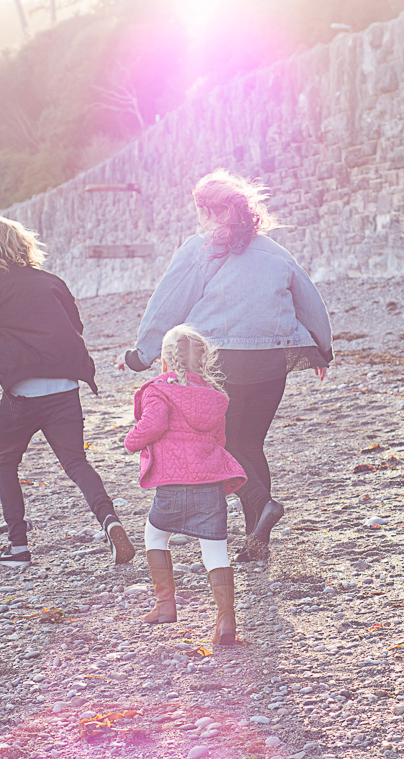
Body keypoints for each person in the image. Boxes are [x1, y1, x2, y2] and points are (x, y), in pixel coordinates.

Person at [118, 169, 332, 562]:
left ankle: (261, 503)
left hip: (220, 360)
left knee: (227, 443)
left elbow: (168, 304)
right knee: (251, 442)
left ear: (206, 209)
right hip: (272, 360)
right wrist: (322, 348)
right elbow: (309, 298)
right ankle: (256, 540)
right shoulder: (274, 250)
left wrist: (140, 355)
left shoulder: (198, 249)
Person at [0, 215, 136, 568]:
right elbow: (75, 326)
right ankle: (110, 521)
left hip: (22, 395)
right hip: (65, 387)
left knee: (6, 463)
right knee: (76, 462)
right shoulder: (51, 282)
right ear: (23, 244)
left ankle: (18, 546)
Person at [124, 325, 247, 644]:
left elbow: (154, 423)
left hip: (173, 482)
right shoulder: (216, 397)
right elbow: (219, 439)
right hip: (209, 484)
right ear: (203, 363)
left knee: (155, 533)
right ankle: (226, 620)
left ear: (164, 362)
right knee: (215, 549)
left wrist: (131, 441)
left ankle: (165, 603)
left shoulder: (159, 389)